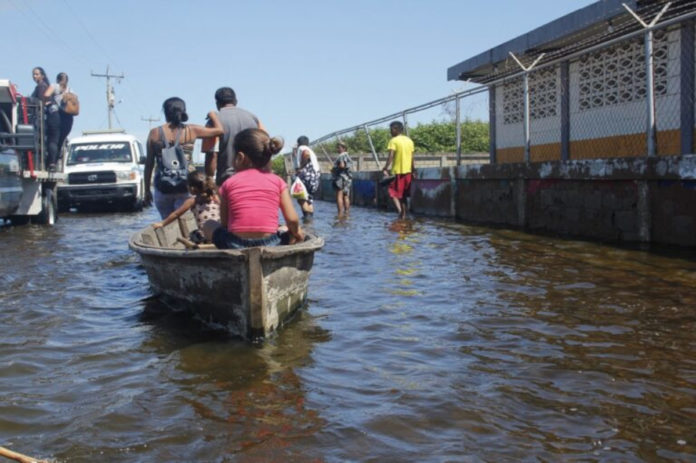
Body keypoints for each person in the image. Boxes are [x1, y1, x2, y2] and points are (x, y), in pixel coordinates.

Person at [202, 128, 304, 249]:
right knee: (288, 227)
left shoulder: (228, 183)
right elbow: (292, 219)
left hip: (234, 244)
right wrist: (297, 234)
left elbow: (225, 223)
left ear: (240, 157)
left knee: (208, 224)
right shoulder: (278, 182)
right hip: (272, 243)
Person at [144, 97, 223, 219]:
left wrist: (146, 190)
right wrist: (213, 115)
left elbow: (149, 164)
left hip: (162, 186)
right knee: (186, 221)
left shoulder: (154, 133)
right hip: (187, 185)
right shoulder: (191, 130)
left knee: (166, 223)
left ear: (165, 112)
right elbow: (219, 130)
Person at [204, 87, 265, 186]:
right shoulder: (253, 118)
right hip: (253, 178)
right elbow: (265, 144)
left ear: (217, 103)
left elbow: (212, 154)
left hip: (227, 180)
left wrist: (209, 179)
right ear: (235, 101)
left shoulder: (214, 121)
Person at [152, 171, 220, 243]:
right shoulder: (214, 197)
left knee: (192, 235)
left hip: (205, 236)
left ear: (192, 188)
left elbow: (176, 214)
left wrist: (162, 223)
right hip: (219, 232)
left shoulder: (192, 201)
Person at [382, 121, 415, 220]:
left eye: (391, 129)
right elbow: (412, 158)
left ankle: (401, 213)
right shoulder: (409, 141)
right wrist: (414, 170)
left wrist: (385, 167)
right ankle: (404, 215)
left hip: (398, 171)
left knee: (393, 192)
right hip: (408, 171)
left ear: (396, 129)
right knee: (403, 195)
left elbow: (391, 155)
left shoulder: (394, 140)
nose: (390, 131)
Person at [30, 67, 60, 170]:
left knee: (50, 140)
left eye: (37, 74)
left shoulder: (41, 86)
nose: (35, 76)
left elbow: (41, 102)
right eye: (33, 74)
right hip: (54, 117)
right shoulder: (43, 85)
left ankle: (51, 163)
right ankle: (51, 163)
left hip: (50, 118)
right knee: (51, 140)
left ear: (42, 75)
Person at [293, 135, 320, 218]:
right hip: (315, 176)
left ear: (298, 143)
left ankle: (306, 218)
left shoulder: (302, 148)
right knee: (309, 199)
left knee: (301, 197)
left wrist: (301, 167)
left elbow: (306, 154)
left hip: (307, 174)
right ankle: (310, 220)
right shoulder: (310, 150)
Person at [54, 72, 75, 157]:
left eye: (65, 80)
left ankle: (59, 151)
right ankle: (57, 153)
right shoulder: (54, 89)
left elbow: (74, 102)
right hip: (56, 115)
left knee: (62, 137)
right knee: (55, 137)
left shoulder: (70, 90)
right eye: (61, 79)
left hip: (67, 116)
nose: (63, 82)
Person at [332, 141, 352, 215]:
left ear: (343, 148)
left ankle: (340, 213)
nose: (337, 149)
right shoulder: (347, 155)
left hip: (340, 178)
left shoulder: (341, 155)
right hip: (347, 178)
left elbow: (342, 165)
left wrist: (334, 169)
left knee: (339, 196)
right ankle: (347, 212)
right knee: (346, 196)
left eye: (339, 147)